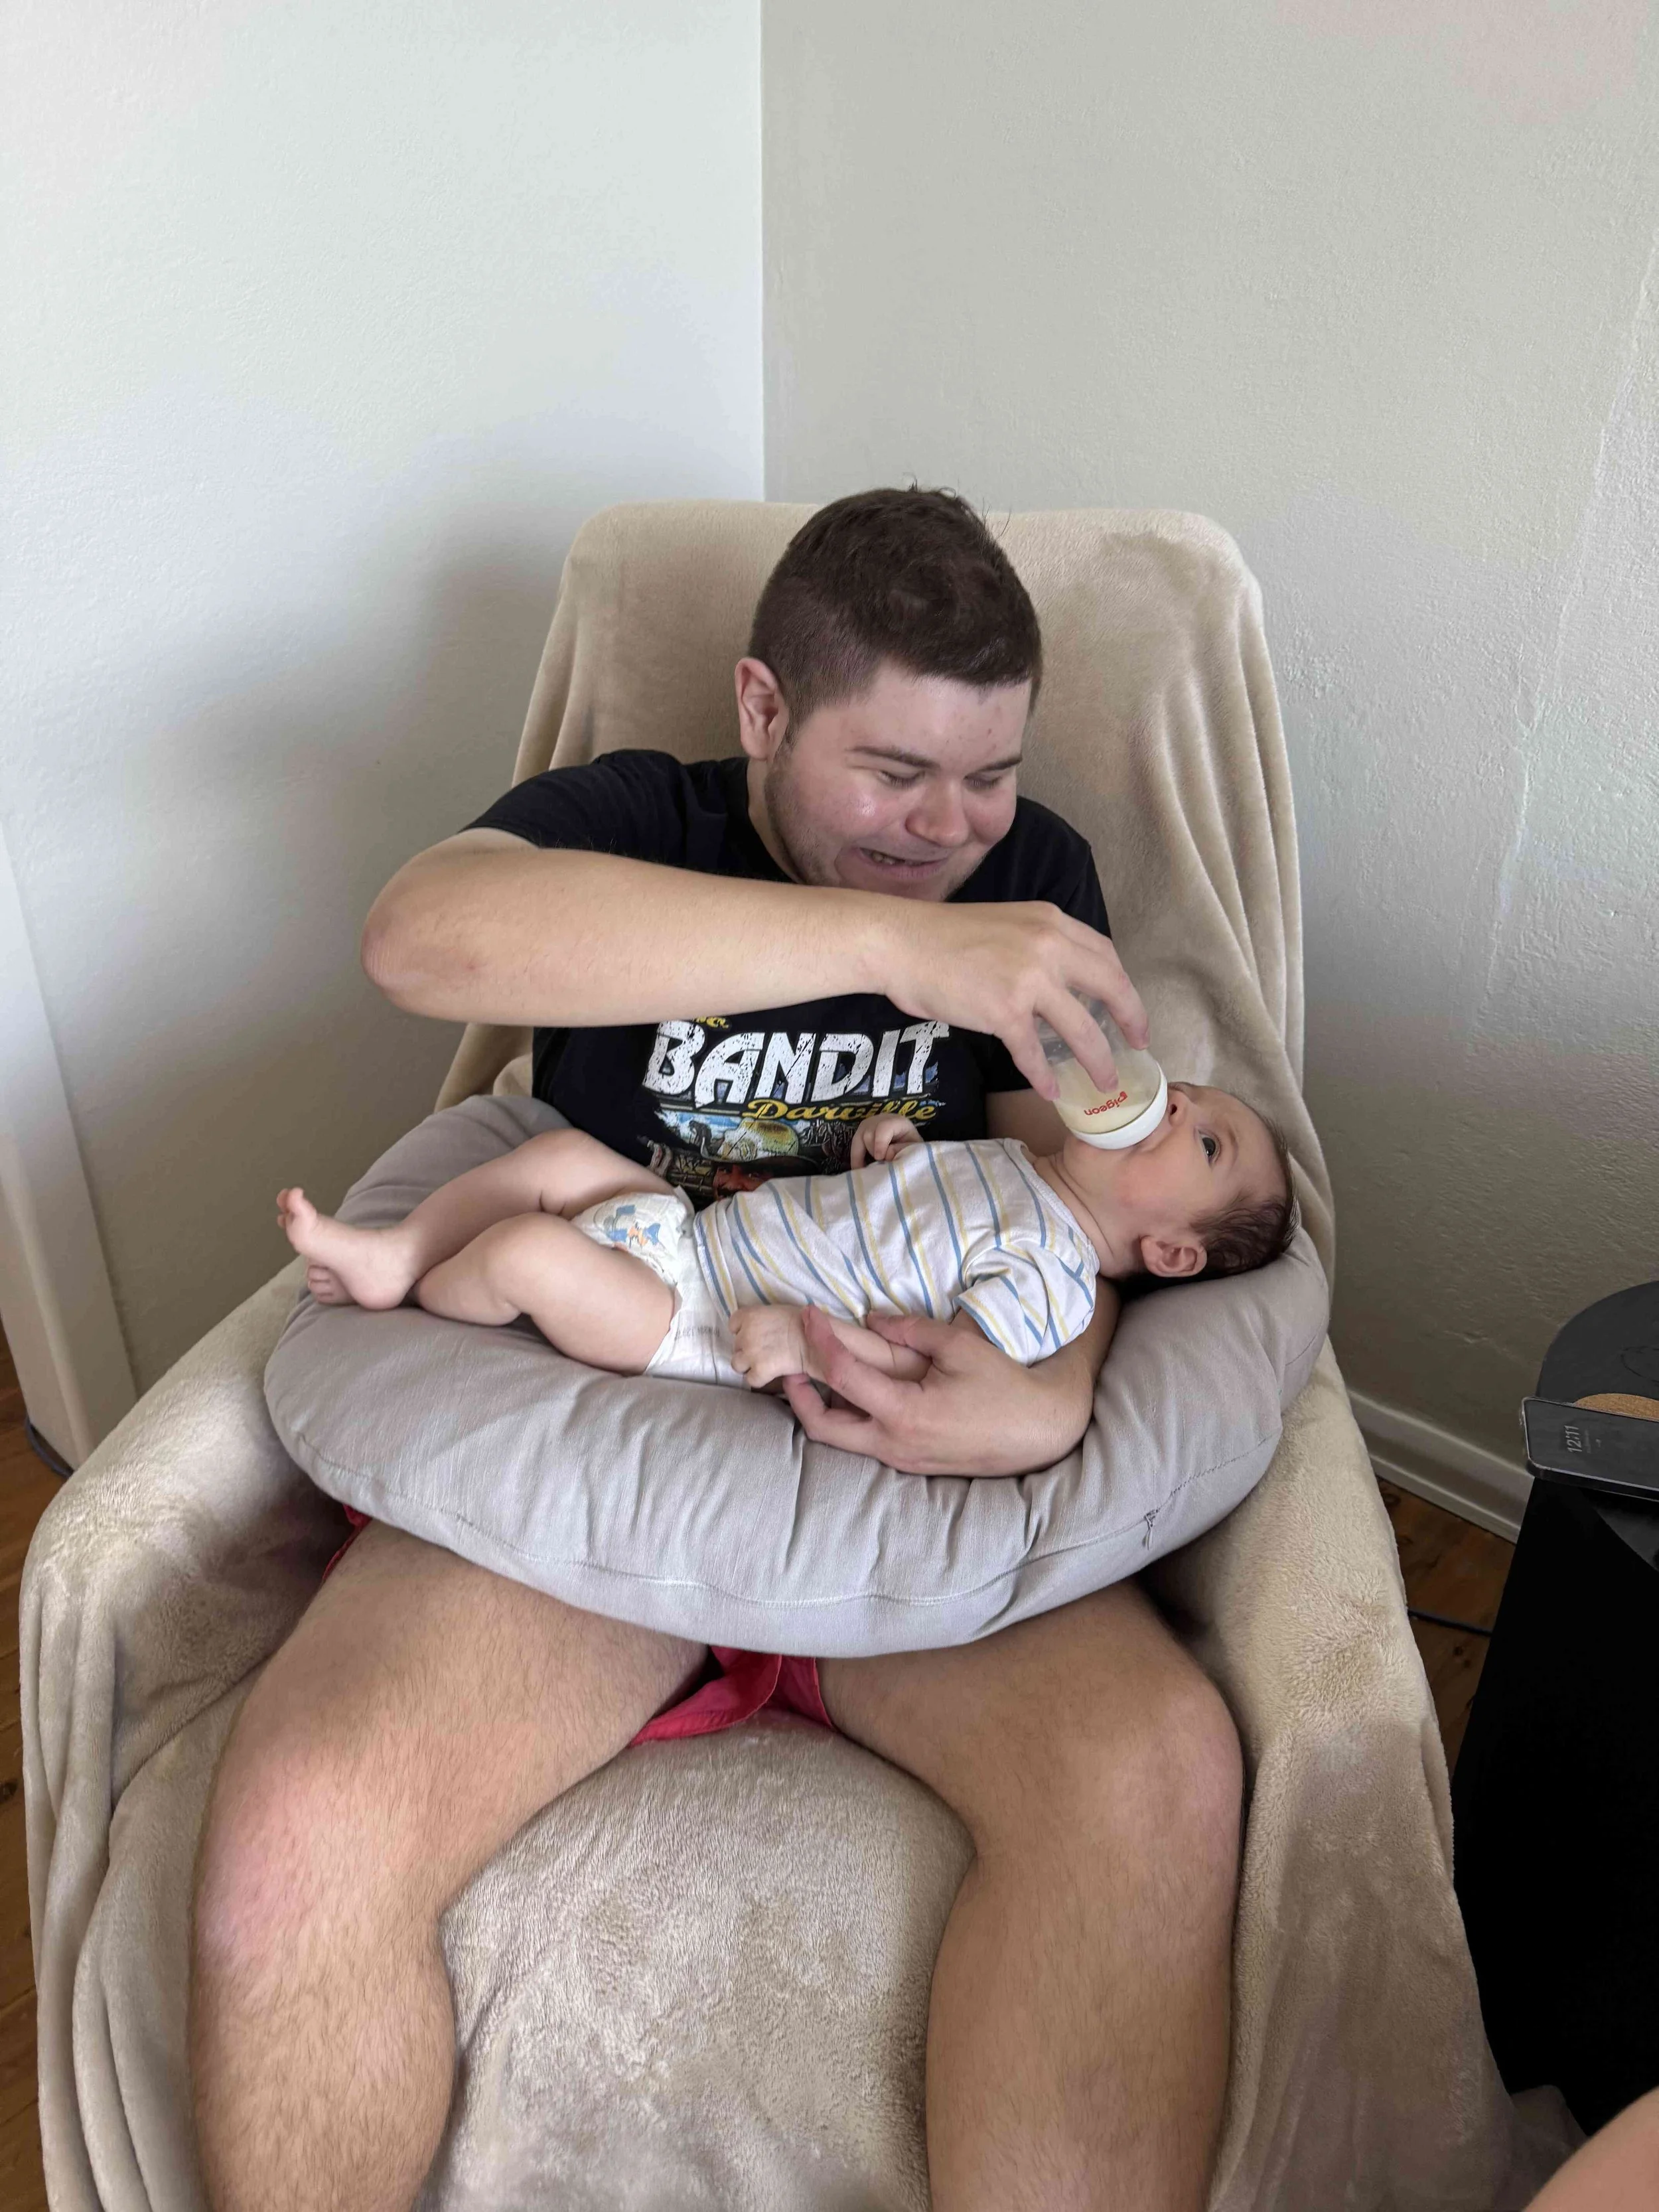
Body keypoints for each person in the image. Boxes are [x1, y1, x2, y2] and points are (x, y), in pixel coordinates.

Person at [190, 488, 1250, 2212]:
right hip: (612, 1422)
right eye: (892, 772)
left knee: (1155, 1775)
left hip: (875, 1460)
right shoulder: (641, 820)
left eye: (987, 776)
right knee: (304, 1818)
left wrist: (1047, 1390)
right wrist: (898, 945)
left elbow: (1073, 1194)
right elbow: (417, 935)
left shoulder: (1033, 878)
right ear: (764, 709)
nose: (949, 829)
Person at [273, 1086, 1295, 1396]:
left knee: (529, 1255)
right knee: (561, 1157)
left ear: (1171, 1252)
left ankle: (431, 1295)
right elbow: (911, 1217)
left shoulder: (1053, 1278)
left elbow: (941, 1366)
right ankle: (399, 1250)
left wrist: (810, 1348)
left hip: (698, 1321)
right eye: (1189, 1094)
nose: (1177, 1104)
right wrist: (892, 1149)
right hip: (696, 1234)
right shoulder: (1022, 1164)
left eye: (1206, 1141)